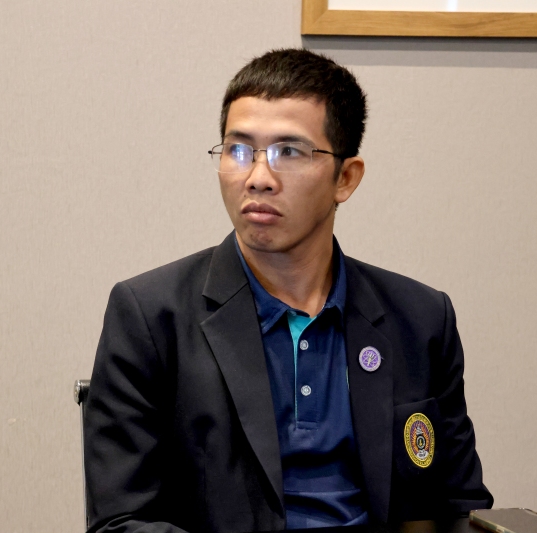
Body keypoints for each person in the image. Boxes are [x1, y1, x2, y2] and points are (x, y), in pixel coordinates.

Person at [84, 48, 492, 533]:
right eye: (238, 151)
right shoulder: (151, 317)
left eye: (289, 152)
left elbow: (459, 508)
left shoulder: (420, 319)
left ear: (346, 178)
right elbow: (121, 521)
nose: (258, 178)